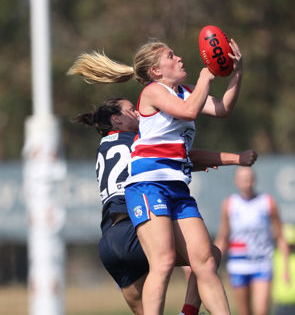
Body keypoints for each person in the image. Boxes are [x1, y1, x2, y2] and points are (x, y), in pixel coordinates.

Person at [68, 36, 244, 315]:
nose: (180, 58)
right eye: (171, 56)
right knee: (163, 262)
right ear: (156, 71)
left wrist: (237, 73)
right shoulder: (153, 94)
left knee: (207, 259)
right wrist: (206, 76)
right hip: (147, 189)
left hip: (163, 197)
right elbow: (188, 114)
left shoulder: (183, 93)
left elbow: (222, 108)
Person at [215, 167, 289, 315]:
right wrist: (211, 262)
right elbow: (223, 237)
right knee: (244, 311)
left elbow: (280, 236)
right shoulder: (230, 204)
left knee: (261, 311)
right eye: (243, 179)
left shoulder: (267, 202)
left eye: (249, 178)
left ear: (254, 180)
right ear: (236, 182)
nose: (247, 183)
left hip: (262, 262)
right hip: (238, 264)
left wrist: (286, 268)